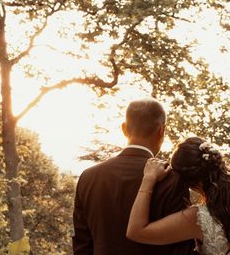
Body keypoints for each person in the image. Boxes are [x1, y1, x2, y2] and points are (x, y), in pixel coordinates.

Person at [73, 99, 194, 255]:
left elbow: (82, 246)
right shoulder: (172, 180)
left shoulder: (88, 177)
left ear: (124, 129)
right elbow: (180, 249)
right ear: (161, 131)